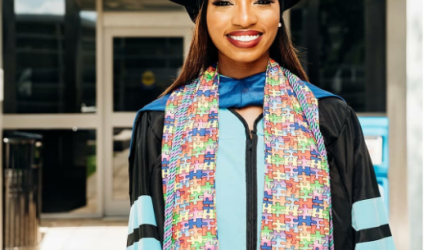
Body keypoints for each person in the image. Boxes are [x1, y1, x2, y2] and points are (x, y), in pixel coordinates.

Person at [126, 0, 396, 249]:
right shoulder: (162, 124)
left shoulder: (329, 118)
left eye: (263, 0)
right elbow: (146, 239)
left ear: (279, 14)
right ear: (202, 16)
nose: (245, 18)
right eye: (223, 2)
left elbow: (369, 235)